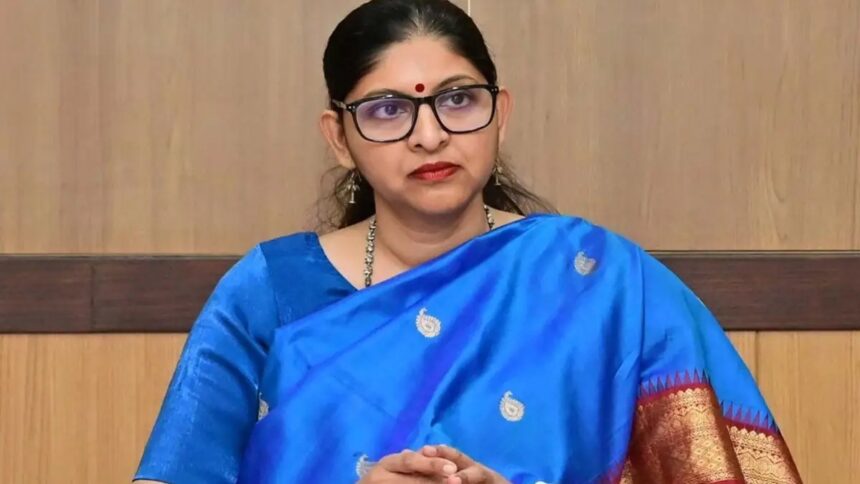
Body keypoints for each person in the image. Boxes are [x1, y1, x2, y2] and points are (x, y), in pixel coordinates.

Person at [134, 1, 801, 483]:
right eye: (388, 110)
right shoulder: (269, 290)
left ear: (500, 114)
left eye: (457, 100)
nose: (430, 136)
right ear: (339, 138)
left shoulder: (603, 285)